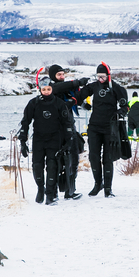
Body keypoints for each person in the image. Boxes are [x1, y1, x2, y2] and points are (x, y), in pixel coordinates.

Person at [17, 74, 75, 205]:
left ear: (52, 89)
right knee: (37, 166)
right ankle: (40, 188)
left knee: (52, 166)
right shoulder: (33, 103)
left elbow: (67, 123)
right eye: (44, 90)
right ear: (40, 90)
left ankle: (50, 195)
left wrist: (69, 141)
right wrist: (22, 141)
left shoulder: (59, 104)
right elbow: (25, 122)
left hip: (54, 139)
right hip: (38, 139)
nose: (47, 92)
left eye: (49, 89)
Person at [77, 62, 128, 197]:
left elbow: (125, 107)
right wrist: (83, 105)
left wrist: (119, 113)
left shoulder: (117, 88)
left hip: (110, 128)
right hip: (94, 126)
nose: (101, 79)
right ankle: (97, 184)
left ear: (109, 75)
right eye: (98, 76)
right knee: (94, 157)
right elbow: (78, 97)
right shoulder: (93, 86)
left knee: (108, 158)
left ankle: (108, 188)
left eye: (103, 76)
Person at [46, 64, 88, 199]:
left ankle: (70, 191)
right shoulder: (50, 88)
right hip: (56, 131)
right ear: (53, 76)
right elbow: (58, 90)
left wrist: (83, 103)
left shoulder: (67, 89)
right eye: (59, 75)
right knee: (57, 162)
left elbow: (76, 97)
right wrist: (76, 82)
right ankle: (53, 192)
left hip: (70, 127)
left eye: (63, 74)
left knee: (74, 159)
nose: (62, 77)